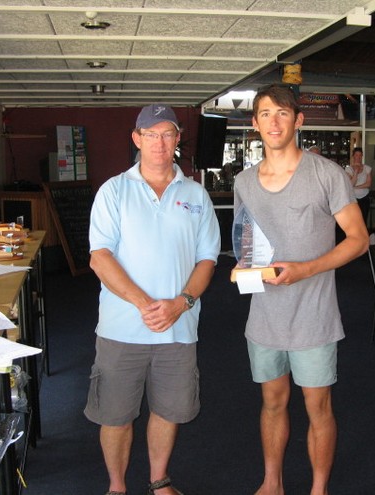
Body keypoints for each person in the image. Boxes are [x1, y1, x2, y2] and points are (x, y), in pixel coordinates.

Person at [233, 84, 368, 495]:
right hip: (265, 318)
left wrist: (306, 268)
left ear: (299, 120)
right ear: (255, 124)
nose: (274, 121)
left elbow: (359, 239)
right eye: (266, 114)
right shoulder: (243, 182)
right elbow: (248, 244)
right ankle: (272, 481)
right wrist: (243, 269)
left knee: (318, 407)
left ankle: (318, 488)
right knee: (272, 403)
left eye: (283, 113)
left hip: (314, 317)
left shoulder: (327, 173)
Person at [84, 103, 221, 495]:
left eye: (167, 134)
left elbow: (207, 259)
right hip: (121, 328)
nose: (159, 143)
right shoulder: (113, 191)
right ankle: (116, 486)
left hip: (178, 329)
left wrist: (180, 303)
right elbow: (100, 257)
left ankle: (158, 480)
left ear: (178, 139)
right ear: (136, 139)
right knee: (116, 416)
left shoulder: (196, 194)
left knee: (168, 410)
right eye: (151, 134)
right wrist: (145, 303)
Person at [345, 146, 372, 226]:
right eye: (356, 155)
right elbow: (351, 184)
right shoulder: (348, 169)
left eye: (360, 155)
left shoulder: (367, 168)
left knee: (363, 220)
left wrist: (356, 187)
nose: (358, 157)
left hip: (364, 197)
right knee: (353, 220)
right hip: (353, 198)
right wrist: (356, 171)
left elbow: (368, 184)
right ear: (353, 156)